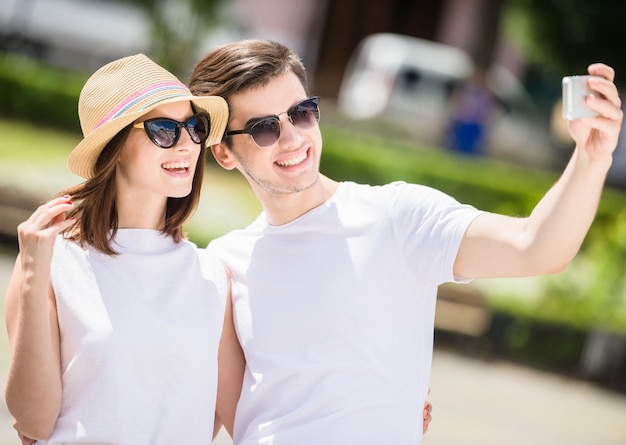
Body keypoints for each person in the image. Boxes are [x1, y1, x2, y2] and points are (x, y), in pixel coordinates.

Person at [188, 39, 623, 445]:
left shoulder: (396, 217)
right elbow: (222, 418)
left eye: (301, 112)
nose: (293, 138)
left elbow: (537, 247)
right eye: (265, 128)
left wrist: (592, 157)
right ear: (224, 152)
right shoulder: (223, 262)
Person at [4, 53, 242, 444]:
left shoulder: (213, 276)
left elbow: (220, 417)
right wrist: (32, 271)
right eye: (164, 130)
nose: (186, 144)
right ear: (114, 148)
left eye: (194, 126)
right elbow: (34, 423)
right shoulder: (50, 262)